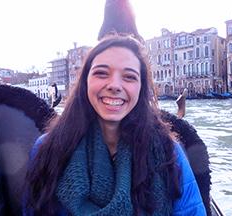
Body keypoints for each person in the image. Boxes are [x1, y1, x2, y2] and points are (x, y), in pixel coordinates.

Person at [23, 34, 206, 215]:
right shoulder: (48, 149)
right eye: (101, 73)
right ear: (85, 81)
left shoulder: (170, 153)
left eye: (129, 77)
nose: (115, 85)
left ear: (141, 87)